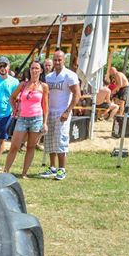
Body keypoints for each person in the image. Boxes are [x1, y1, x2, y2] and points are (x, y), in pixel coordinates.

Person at [39, 49, 80, 181]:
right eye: (55, 60)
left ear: (64, 60)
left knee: (61, 140)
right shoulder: (49, 77)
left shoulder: (70, 75)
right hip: (50, 112)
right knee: (50, 140)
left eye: (59, 60)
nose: (57, 62)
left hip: (62, 112)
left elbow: (77, 94)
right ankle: (52, 167)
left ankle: (62, 168)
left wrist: (67, 111)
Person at [4, 60, 48, 177]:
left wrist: (45, 123)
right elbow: (12, 98)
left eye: (37, 68)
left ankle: (24, 173)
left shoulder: (44, 86)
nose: (34, 70)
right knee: (14, 146)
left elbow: (45, 106)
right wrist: (15, 109)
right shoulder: (23, 84)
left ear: (41, 70)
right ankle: (5, 171)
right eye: (32, 68)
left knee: (31, 147)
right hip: (22, 118)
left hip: (37, 119)